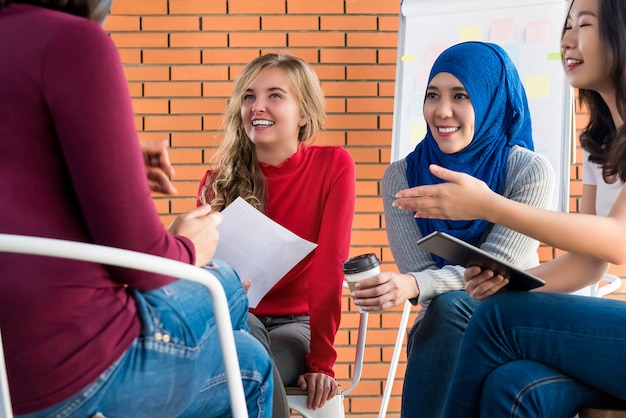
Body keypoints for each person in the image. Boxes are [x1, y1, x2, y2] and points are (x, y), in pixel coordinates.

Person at [0, 0, 273, 417]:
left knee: (231, 318)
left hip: (11, 367)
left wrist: (110, 163)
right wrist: (188, 246)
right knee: (247, 351)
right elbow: (144, 266)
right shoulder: (71, 41)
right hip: (67, 369)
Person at [393, 0, 626, 416]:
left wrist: (490, 206)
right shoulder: (602, 144)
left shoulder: (526, 170)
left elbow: (620, 242)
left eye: (585, 24)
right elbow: (587, 265)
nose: (568, 40)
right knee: (513, 386)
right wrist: (506, 283)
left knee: (496, 319)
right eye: (567, 25)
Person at [349, 41, 555, 417]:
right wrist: (416, 284)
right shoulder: (402, 177)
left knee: (450, 305)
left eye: (460, 95)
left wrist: (412, 284)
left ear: (491, 98)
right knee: (447, 307)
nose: (442, 111)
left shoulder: (528, 171)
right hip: (444, 329)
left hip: (515, 323)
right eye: (432, 95)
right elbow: (430, 280)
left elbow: (498, 269)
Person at [197, 52, 356, 415]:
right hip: (237, 316)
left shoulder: (333, 166)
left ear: (303, 114)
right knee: (245, 353)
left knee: (248, 367)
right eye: (249, 96)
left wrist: (322, 363)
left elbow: (329, 268)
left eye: (275, 95)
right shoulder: (217, 181)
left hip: (297, 324)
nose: (257, 106)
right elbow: (202, 270)